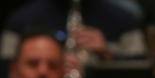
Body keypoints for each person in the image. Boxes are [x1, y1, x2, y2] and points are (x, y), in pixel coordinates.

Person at [1, 0, 147, 61]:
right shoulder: (21, 21)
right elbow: (5, 71)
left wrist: (107, 54)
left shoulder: (124, 20)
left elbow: (141, 73)